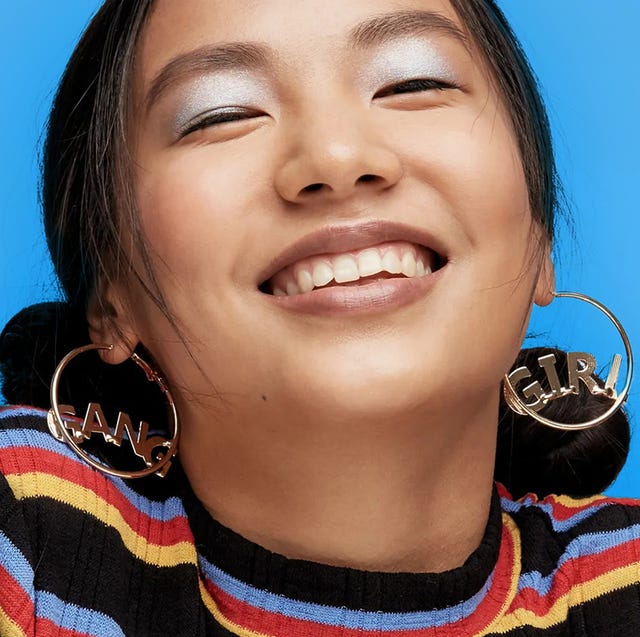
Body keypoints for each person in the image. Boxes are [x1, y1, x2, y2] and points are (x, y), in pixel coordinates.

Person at [0, 0, 637, 635]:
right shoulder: (27, 532)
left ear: (539, 236)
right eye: (222, 114)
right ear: (112, 300)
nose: (335, 158)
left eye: (414, 81)